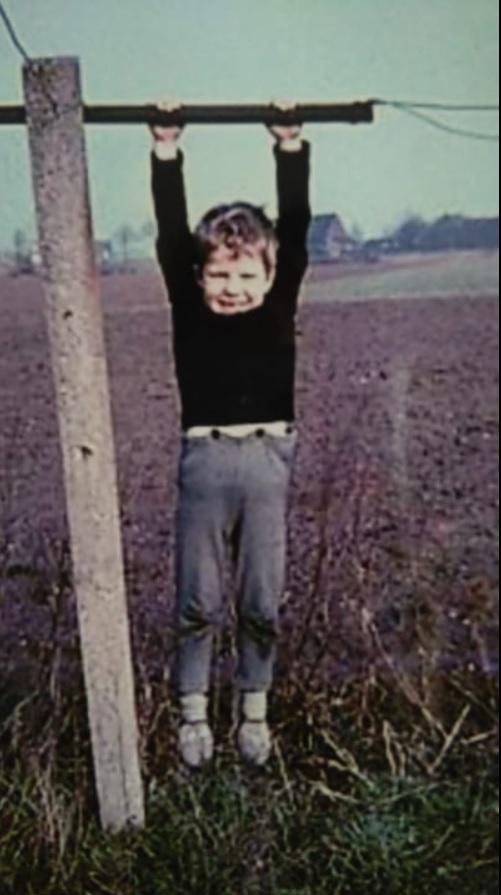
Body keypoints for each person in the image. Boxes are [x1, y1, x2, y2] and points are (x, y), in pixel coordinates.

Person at [150, 102, 311, 768]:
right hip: (206, 461)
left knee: (260, 599)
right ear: (199, 276)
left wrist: (289, 145)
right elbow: (170, 234)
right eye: (219, 274)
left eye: (246, 275)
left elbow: (294, 225)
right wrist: (166, 149)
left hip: (268, 461)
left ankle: (253, 711)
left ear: (270, 276)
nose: (233, 287)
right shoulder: (190, 309)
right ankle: (192, 716)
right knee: (198, 598)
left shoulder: (280, 299)